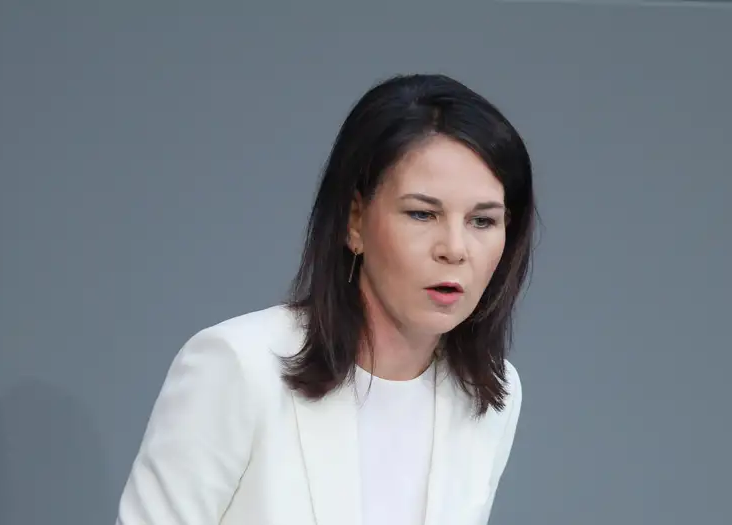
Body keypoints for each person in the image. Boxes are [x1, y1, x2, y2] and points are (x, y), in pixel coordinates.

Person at [115, 73, 536, 525]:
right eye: (421, 214)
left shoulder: (493, 393)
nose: (454, 248)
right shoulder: (238, 366)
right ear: (355, 221)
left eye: (482, 221)